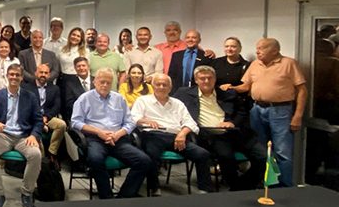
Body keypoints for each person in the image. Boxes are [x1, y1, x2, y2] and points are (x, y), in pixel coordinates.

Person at [222, 38, 306, 187]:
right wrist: (232, 88)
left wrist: (298, 116)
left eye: (262, 48)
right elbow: (246, 86)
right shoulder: (255, 64)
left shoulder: (289, 64)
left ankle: (284, 187)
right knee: (260, 150)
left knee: (282, 152)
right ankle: (264, 183)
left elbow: (302, 91)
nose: (257, 51)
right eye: (257, 48)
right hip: (257, 110)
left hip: (280, 111)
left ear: (275, 50)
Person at [174, 65, 265, 191]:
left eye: (209, 78)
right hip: (212, 135)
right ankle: (236, 187)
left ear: (215, 79)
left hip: (236, 132)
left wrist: (232, 122)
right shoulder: (184, 93)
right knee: (226, 156)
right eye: (202, 78)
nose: (206, 81)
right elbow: (172, 107)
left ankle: (243, 185)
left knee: (263, 156)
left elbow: (242, 112)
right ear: (196, 80)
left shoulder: (227, 94)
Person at [71, 68, 152, 199]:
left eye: (108, 83)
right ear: (95, 82)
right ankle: (106, 197)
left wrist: (118, 134)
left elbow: (130, 122)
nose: (105, 85)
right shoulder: (84, 98)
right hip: (95, 138)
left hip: (118, 139)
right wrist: (99, 132)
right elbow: (75, 122)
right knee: (95, 160)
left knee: (144, 161)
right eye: (102, 82)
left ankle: (124, 196)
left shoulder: (119, 99)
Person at [131, 75, 213, 195]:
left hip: (176, 137)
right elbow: (133, 118)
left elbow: (191, 123)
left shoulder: (178, 103)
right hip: (153, 135)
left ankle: (205, 189)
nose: (161, 87)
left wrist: (183, 134)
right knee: (150, 155)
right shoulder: (143, 100)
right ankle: (154, 187)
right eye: (158, 84)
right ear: (153, 86)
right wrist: (144, 120)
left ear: (170, 87)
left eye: (165, 85)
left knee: (202, 154)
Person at [0, 64, 43, 207]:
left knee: (35, 154)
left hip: (24, 136)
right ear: (7, 76)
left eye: (17, 75)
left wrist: (34, 135)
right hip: (4, 135)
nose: (14, 77)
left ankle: (27, 193)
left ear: (22, 77)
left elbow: (38, 121)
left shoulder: (30, 96)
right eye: (11, 74)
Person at [22, 63, 66, 165]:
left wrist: (46, 118)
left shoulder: (55, 88)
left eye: (46, 73)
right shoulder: (26, 88)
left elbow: (56, 106)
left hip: (48, 117)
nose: (43, 75)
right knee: (37, 129)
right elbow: (25, 106)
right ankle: (42, 161)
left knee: (62, 125)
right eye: (41, 72)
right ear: (36, 73)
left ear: (49, 75)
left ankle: (52, 152)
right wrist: (39, 120)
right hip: (32, 118)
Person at [211, 37, 252, 116]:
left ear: (240, 49)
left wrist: (231, 88)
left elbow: (247, 87)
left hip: (238, 106)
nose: (229, 49)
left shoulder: (247, 65)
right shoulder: (216, 62)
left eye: (233, 46)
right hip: (217, 103)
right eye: (227, 46)